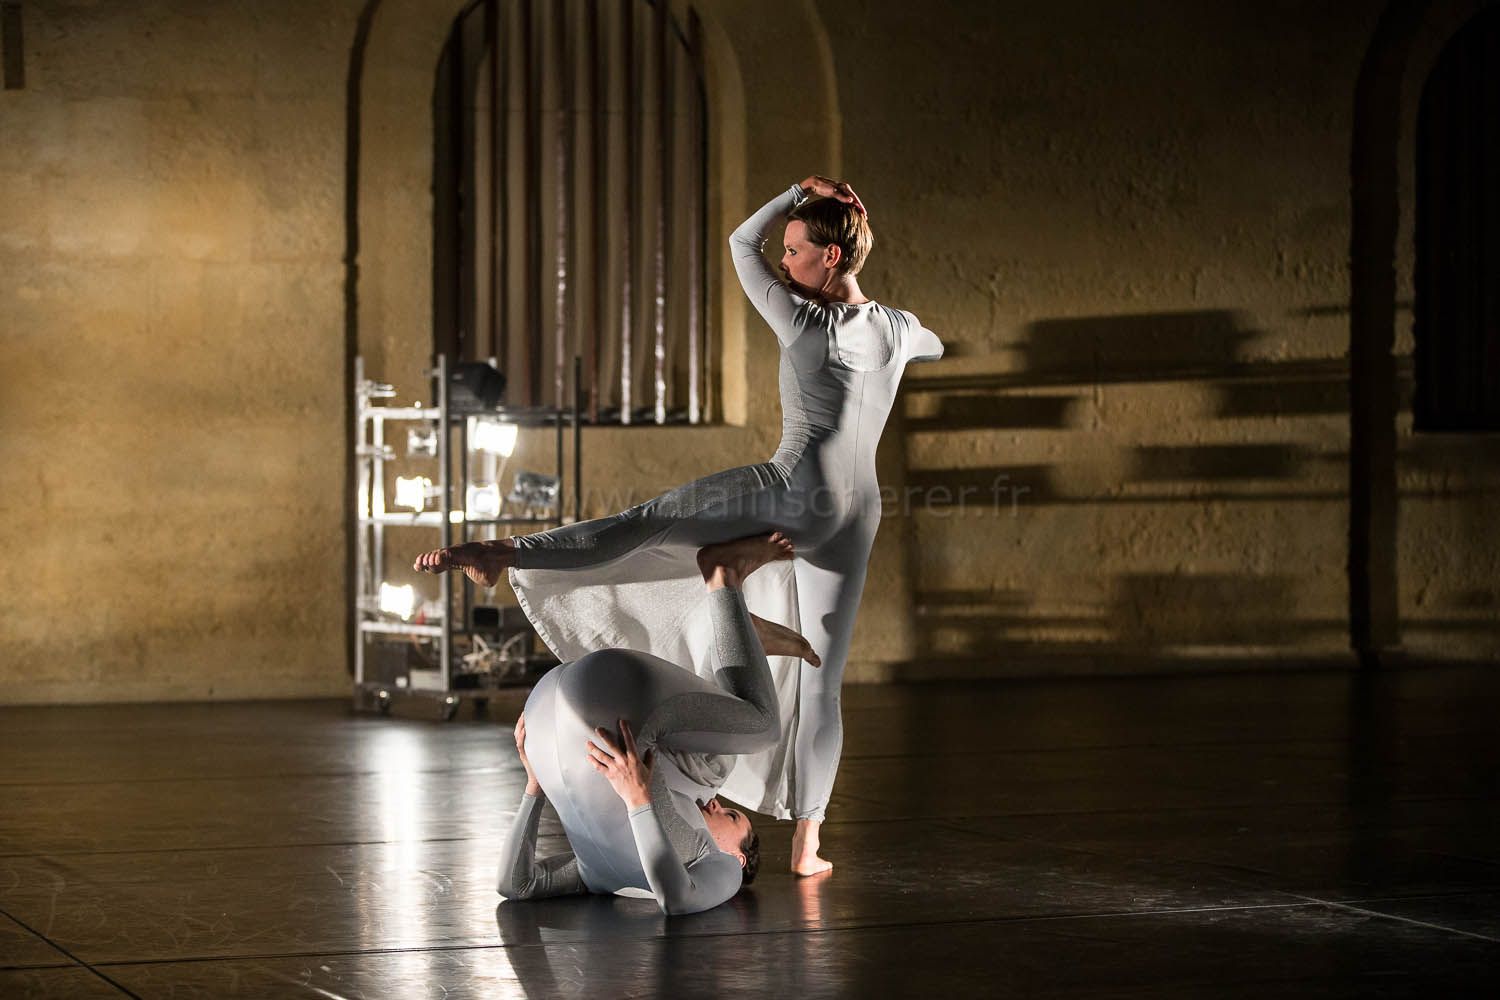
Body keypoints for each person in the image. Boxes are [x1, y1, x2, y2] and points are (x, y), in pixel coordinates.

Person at [421, 175, 944, 876]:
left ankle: (505, 551)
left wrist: (796, 193)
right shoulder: (899, 329)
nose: (783, 260)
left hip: (793, 491)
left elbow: (740, 244)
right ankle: (809, 846)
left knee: (649, 522)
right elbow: (933, 344)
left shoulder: (802, 320)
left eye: (795, 251)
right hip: (856, 516)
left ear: (829, 257)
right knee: (823, 683)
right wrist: (892, 322)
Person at [497, 534, 804, 915]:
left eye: (732, 816)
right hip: (568, 702)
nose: (719, 805)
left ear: (737, 857)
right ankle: (737, 628)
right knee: (714, 767)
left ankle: (727, 588)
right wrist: (640, 799)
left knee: (764, 728)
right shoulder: (603, 874)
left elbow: (515, 885)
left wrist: (534, 786)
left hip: (562, 717)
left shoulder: (724, 868)